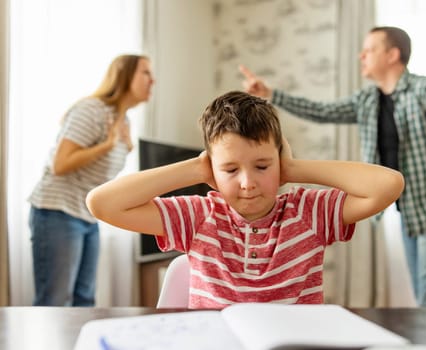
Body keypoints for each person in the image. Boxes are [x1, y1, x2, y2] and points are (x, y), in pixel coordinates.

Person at [239, 26, 426, 307]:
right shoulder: (368, 100)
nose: (361, 55)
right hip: (413, 211)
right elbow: (323, 111)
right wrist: (271, 94)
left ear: (392, 55)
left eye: (369, 49)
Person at [86, 90, 404, 309]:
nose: (248, 183)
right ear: (212, 167)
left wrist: (293, 168)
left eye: (263, 166)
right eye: (230, 169)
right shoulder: (198, 217)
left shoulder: (309, 213)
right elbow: (102, 203)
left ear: (279, 160)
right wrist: (195, 169)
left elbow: (388, 185)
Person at [28, 54, 155, 306]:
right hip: (57, 211)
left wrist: (124, 146)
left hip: (86, 215)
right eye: (146, 73)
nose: (153, 80)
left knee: (85, 299)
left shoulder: (123, 120)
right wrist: (107, 146)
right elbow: (60, 164)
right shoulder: (92, 109)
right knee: (54, 301)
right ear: (125, 75)